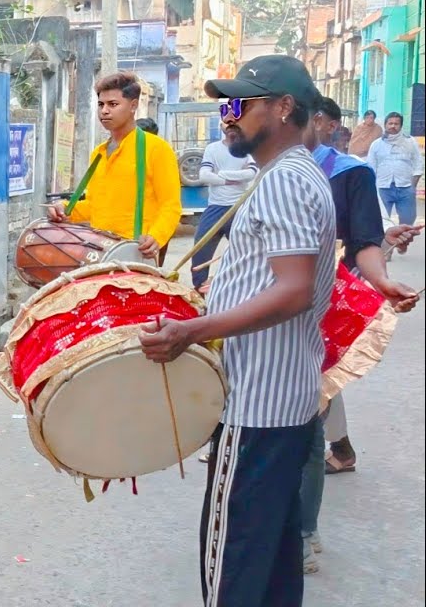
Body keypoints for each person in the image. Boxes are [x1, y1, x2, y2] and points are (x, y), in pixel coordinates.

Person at [140, 55, 335, 607]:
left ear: (283, 108)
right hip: (281, 398)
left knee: (233, 562)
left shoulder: (285, 182)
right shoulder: (290, 175)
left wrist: (192, 331)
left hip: (257, 405)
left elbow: (293, 290)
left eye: (240, 104)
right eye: (226, 105)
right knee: (271, 556)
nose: (229, 116)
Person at [296, 96, 420, 574]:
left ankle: (305, 531)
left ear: (322, 123)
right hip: (271, 311)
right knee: (318, 392)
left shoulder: (349, 171)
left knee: (314, 403)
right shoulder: (265, 171)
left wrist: (380, 271)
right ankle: (340, 451)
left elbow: (364, 236)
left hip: (332, 298)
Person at [48, 72, 182, 262]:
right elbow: (96, 207)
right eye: (101, 105)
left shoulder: (156, 149)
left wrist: (157, 237)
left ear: (133, 106)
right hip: (99, 251)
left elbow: (170, 206)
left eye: (113, 104)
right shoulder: (98, 154)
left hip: (135, 252)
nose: (104, 111)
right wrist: (64, 208)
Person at [190, 130, 258, 292]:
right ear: (221, 125)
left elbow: (251, 174)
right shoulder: (212, 149)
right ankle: (199, 290)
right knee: (200, 248)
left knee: (246, 251)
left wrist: (221, 174)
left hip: (239, 206)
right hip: (215, 207)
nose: (230, 126)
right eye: (227, 122)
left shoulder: (247, 148)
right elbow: (204, 176)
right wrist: (230, 180)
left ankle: (243, 289)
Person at [365, 112, 423, 226]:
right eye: (390, 123)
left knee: (407, 223)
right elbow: (370, 168)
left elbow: (418, 163)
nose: (393, 126)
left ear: (401, 126)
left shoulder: (410, 142)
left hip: (405, 188)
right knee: (380, 222)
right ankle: (383, 243)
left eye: (396, 124)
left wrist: (413, 186)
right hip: (383, 188)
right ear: (385, 125)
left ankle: (403, 244)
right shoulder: (376, 145)